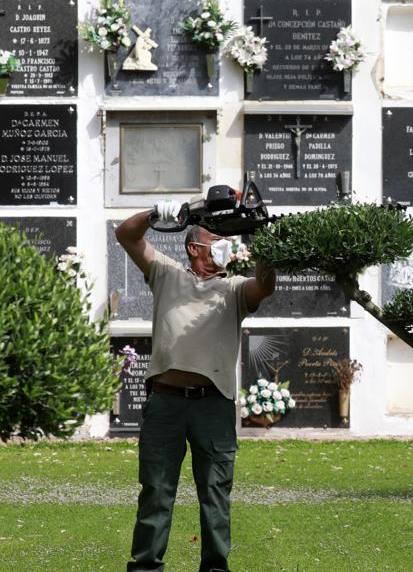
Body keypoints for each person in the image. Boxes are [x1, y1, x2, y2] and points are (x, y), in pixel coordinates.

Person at [116, 199, 276, 572]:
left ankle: (215, 568)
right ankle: (146, 566)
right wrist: (157, 214)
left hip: (213, 404)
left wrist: (262, 238)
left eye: (227, 239)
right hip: (165, 404)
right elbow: (126, 234)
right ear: (193, 247)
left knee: (215, 493)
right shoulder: (167, 273)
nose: (224, 245)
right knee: (156, 491)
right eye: (216, 238)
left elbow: (265, 285)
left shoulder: (235, 288)